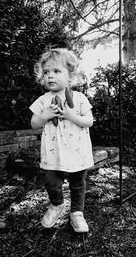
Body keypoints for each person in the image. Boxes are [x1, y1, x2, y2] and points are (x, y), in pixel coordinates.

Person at [29, 48, 94, 233]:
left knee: (78, 184)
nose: (50, 76)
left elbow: (89, 121)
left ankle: (77, 213)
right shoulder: (43, 100)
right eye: (46, 72)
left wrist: (71, 115)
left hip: (77, 152)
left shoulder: (79, 98)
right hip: (53, 152)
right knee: (51, 181)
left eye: (56, 71)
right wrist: (44, 115)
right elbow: (34, 123)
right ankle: (56, 204)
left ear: (70, 76)